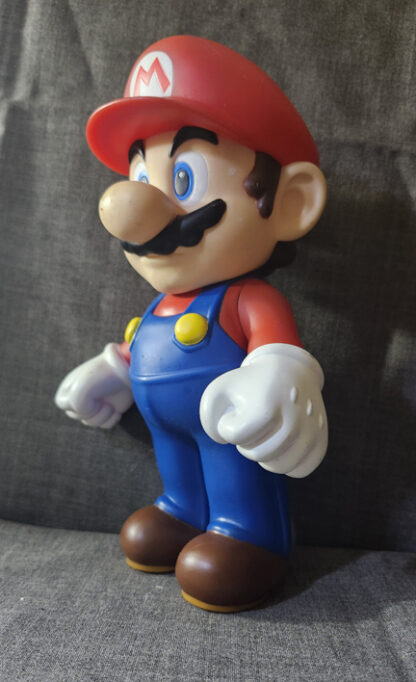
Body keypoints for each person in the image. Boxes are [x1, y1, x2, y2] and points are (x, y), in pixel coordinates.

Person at [55, 35, 328, 612]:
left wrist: (279, 380)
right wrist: (112, 371)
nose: (137, 209)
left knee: (235, 474)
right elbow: (139, 350)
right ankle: (183, 512)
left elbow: (279, 352)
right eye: (140, 176)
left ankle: (249, 535)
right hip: (170, 435)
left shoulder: (247, 299)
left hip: (230, 431)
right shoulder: (160, 304)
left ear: (291, 202)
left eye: (183, 178)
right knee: (169, 490)